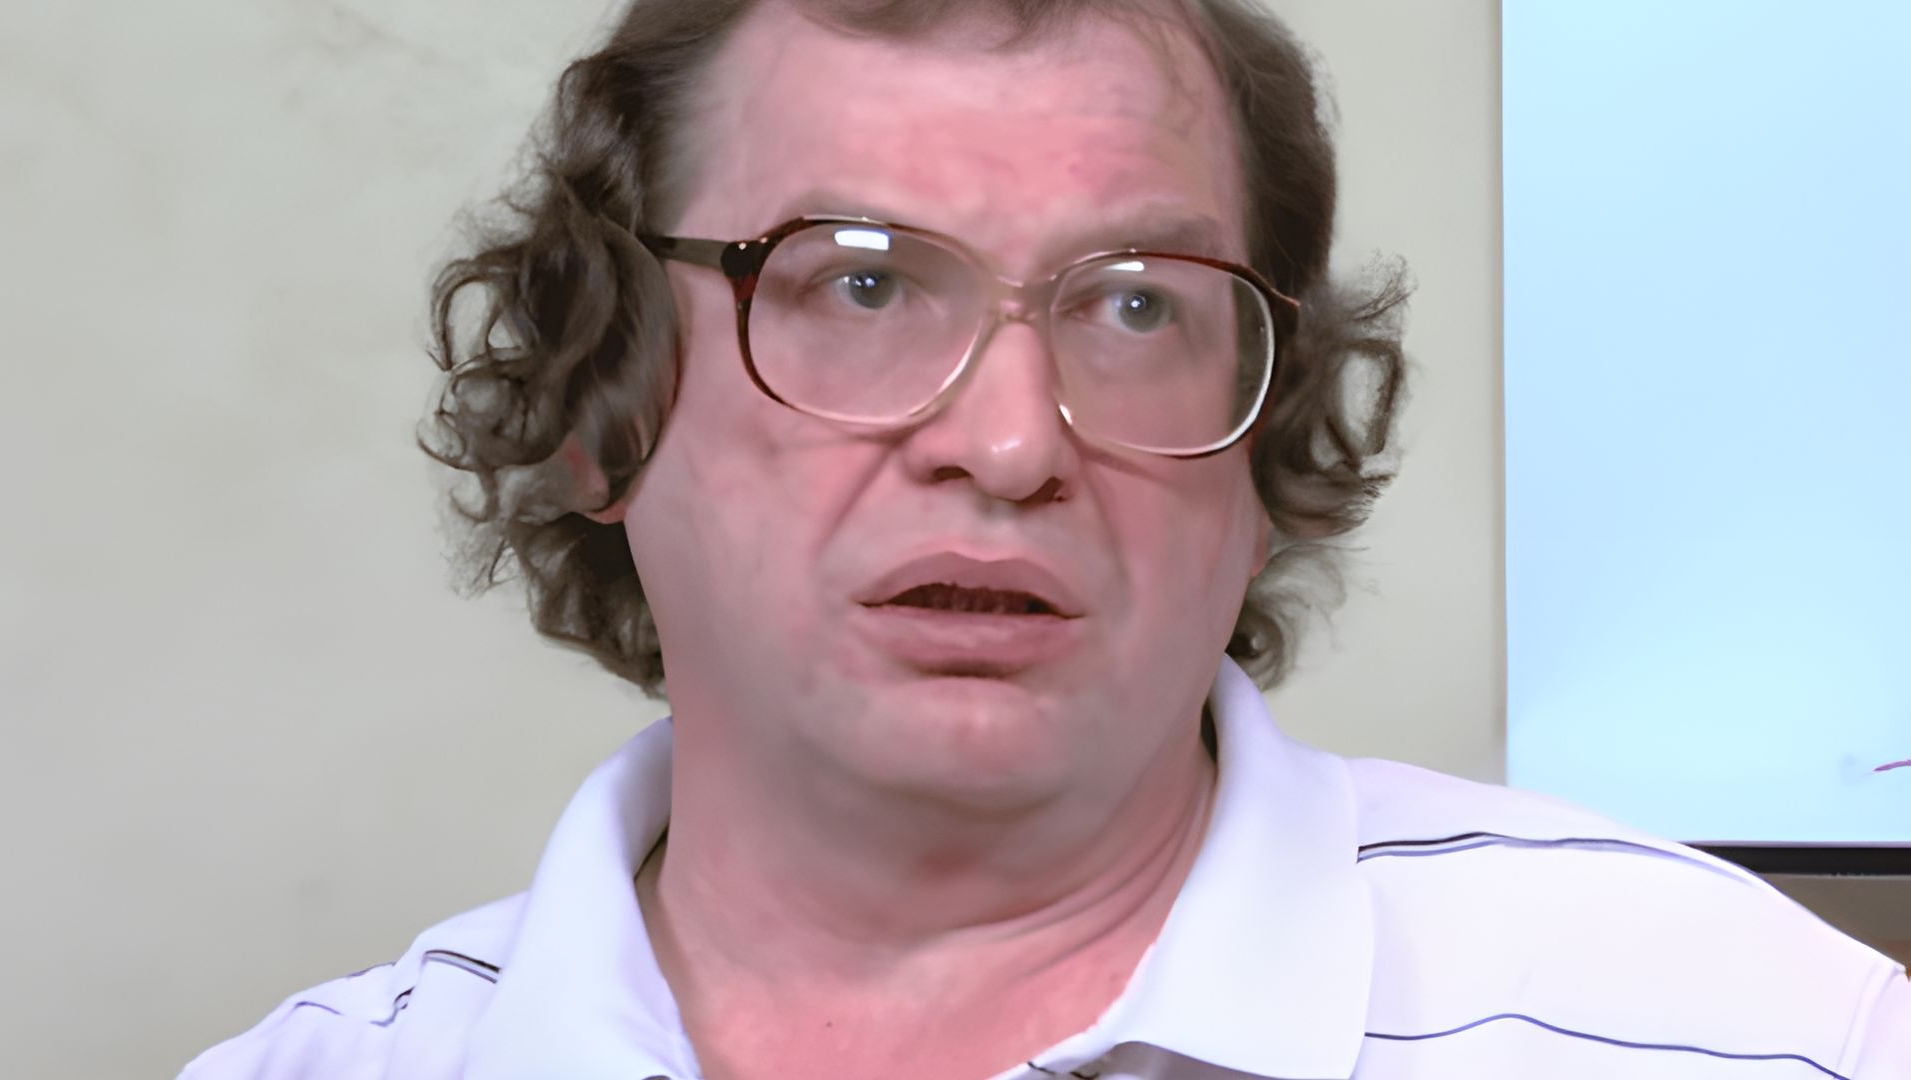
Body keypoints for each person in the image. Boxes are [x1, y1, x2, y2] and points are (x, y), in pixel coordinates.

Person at [182, 0, 1910, 1077]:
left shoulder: (1758, 1035)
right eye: (860, 285)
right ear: (605, 410)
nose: (1011, 446)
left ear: (1265, 448)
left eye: (1138, 305)